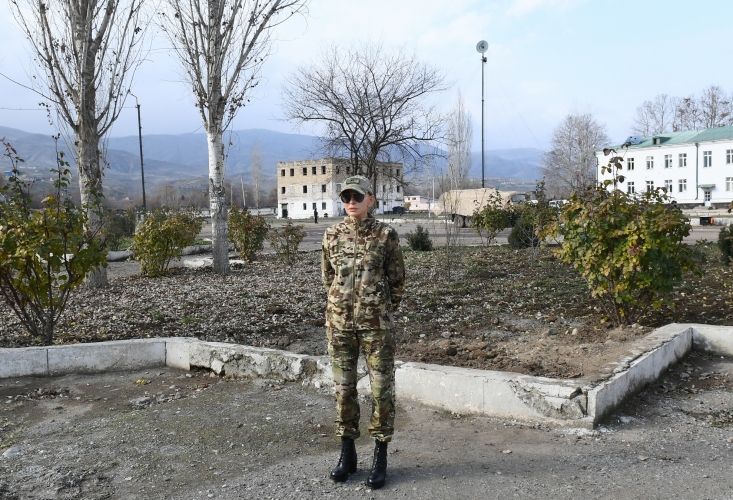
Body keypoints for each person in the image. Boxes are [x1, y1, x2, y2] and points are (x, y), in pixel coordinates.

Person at [321, 175, 405, 489]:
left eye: (357, 197)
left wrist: (380, 307)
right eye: (346, 198)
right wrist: (340, 306)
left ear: (370, 198)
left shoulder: (386, 234)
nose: (351, 203)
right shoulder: (331, 234)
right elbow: (327, 277)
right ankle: (348, 454)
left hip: (377, 328)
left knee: (382, 392)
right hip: (340, 326)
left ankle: (380, 457)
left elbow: (397, 279)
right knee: (344, 391)